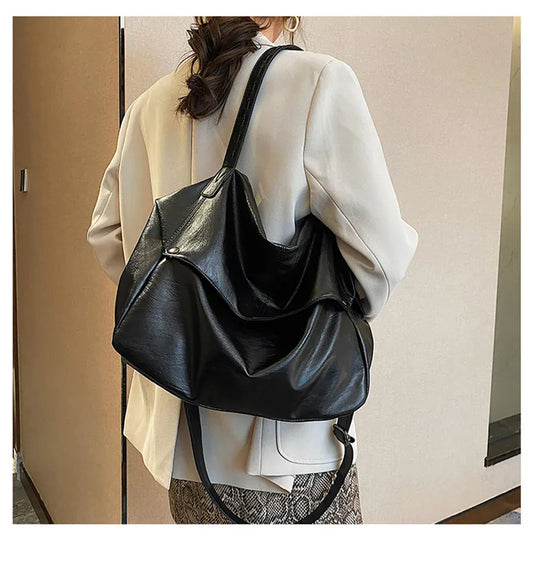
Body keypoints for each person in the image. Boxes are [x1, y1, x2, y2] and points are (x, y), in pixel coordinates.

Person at [86, 16, 419, 524]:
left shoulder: (147, 107)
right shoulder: (318, 82)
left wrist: (185, 316)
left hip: (184, 446)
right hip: (285, 451)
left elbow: (109, 236)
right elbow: (379, 256)